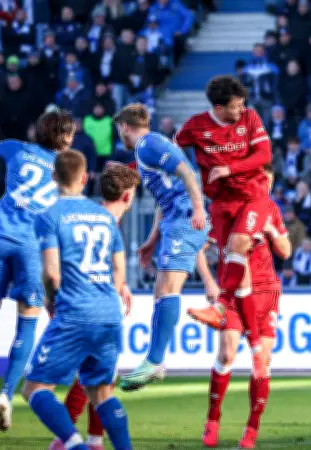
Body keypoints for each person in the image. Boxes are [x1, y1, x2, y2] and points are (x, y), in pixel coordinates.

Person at [0, 109, 75, 431]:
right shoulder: (65, 167)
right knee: (27, 320)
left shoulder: (17, 148)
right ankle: (6, 395)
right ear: (64, 138)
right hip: (31, 246)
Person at [23, 149, 132, 450]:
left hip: (74, 311)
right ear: (85, 178)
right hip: (109, 312)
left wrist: (49, 300)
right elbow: (119, 269)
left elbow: (52, 273)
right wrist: (112, 293)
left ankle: (74, 445)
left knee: (34, 388)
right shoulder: (104, 216)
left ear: (54, 177)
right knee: (100, 391)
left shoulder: (48, 216)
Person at [174, 75, 274, 381]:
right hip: (221, 203)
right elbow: (167, 154)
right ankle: (255, 346)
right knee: (234, 262)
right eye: (235, 105)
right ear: (218, 107)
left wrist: (229, 167)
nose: (241, 108)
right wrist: (133, 169)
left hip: (253, 196)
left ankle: (219, 307)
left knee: (238, 246)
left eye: (242, 103)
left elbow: (264, 156)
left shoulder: (250, 117)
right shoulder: (196, 126)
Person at [113, 103, 209, 391]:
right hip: (173, 219)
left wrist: (198, 209)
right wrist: (152, 239)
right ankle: (153, 360)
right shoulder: (150, 147)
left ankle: (155, 362)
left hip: (184, 219)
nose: (120, 134)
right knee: (160, 290)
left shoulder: (148, 144)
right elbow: (164, 196)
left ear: (125, 127)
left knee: (167, 289)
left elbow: (188, 174)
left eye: (119, 129)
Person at [200, 164, 292, 449]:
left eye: (270, 180)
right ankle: (213, 419)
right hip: (234, 293)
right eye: (263, 179)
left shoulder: (270, 209)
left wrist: (270, 231)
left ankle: (251, 429)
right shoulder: (227, 207)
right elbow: (199, 249)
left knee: (261, 362)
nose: (267, 185)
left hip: (266, 292)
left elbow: (286, 251)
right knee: (227, 352)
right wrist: (210, 285)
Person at [52, 163, 141, 450]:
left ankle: (91, 439)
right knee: (96, 377)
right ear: (127, 197)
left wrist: (121, 285)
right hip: (91, 306)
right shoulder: (104, 221)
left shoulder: (95, 215)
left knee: (100, 376)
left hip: (84, 302)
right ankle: (68, 438)